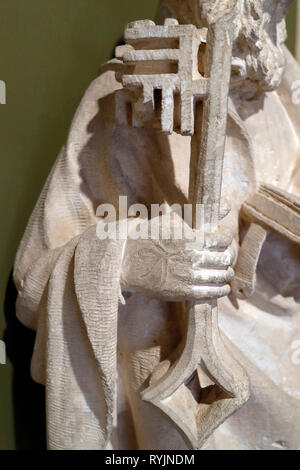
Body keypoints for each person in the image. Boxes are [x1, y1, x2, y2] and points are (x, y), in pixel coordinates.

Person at [14, 0, 300, 449]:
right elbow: (34, 283)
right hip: (182, 389)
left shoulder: (285, 87)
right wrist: (127, 260)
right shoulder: (126, 93)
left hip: (288, 354)